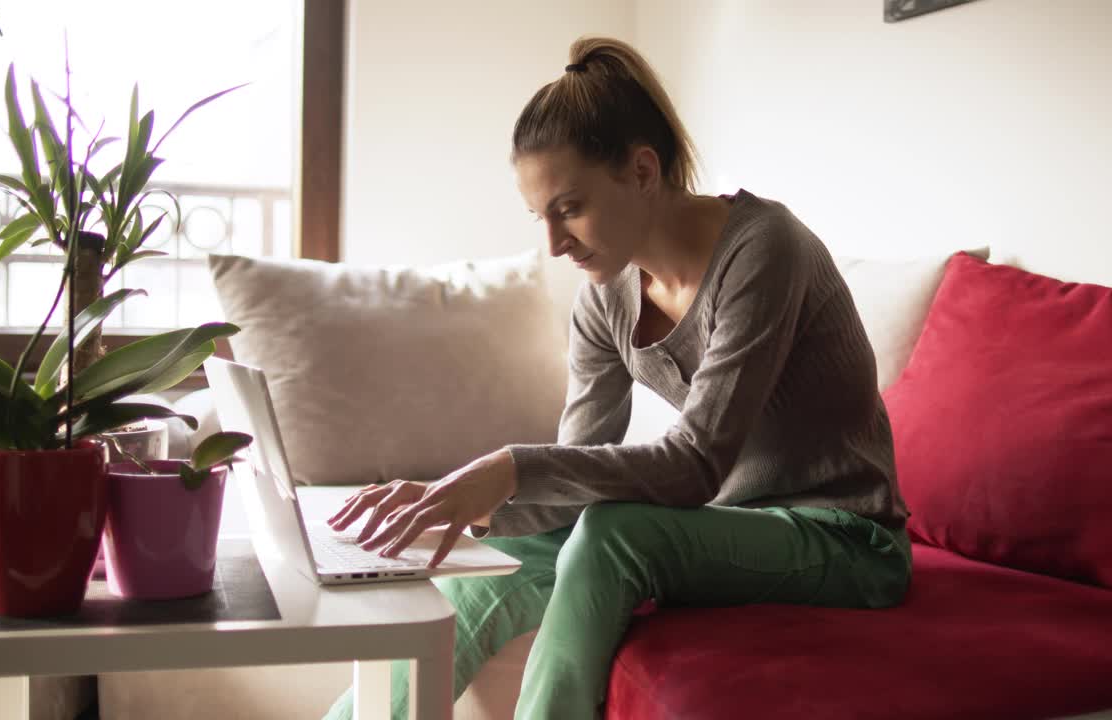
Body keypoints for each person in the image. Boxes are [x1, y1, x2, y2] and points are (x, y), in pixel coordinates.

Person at [323, 35, 911, 720]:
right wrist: (460, 504)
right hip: (727, 527)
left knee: (615, 534)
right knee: (504, 562)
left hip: (844, 539)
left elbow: (695, 465)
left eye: (569, 208)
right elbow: (574, 478)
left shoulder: (763, 250)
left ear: (640, 171)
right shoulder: (605, 296)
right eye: (539, 217)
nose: (553, 243)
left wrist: (508, 468)